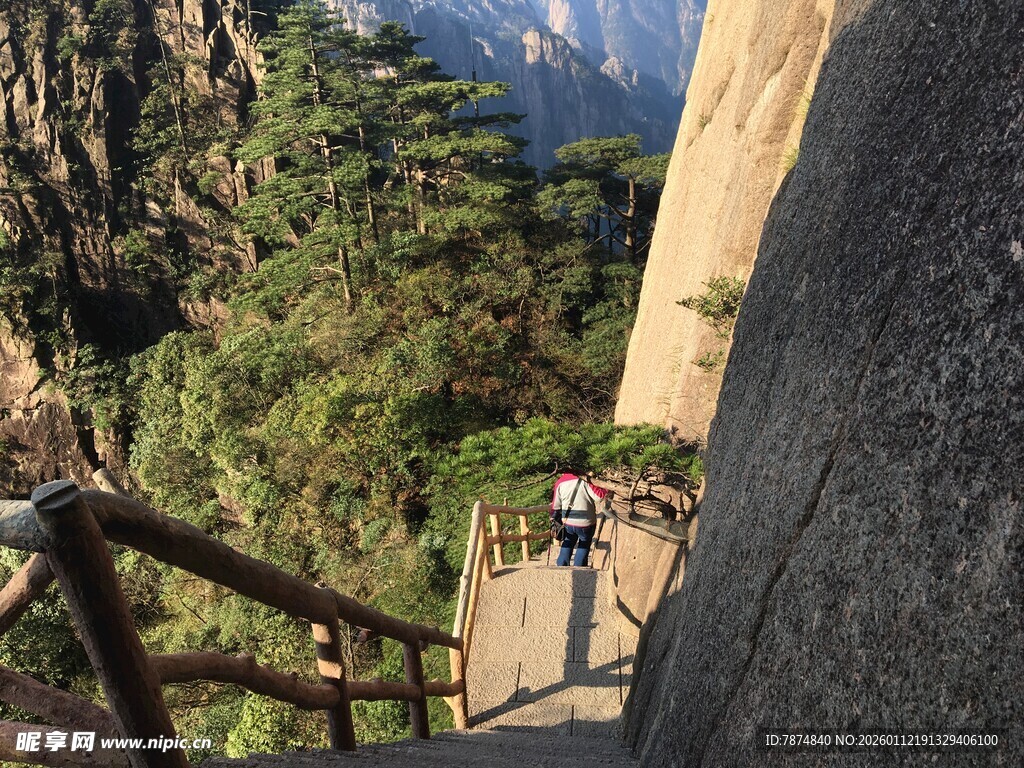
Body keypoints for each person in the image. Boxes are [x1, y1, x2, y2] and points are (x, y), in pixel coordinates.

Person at [550, 470, 613, 567]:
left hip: (567, 521)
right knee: (584, 543)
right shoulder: (586, 480)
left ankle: (561, 567)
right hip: (586, 522)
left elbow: (555, 506)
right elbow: (599, 496)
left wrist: (553, 518)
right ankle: (579, 570)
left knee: (568, 542)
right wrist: (607, 489)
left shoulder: (560, 481)